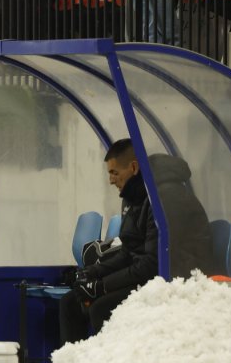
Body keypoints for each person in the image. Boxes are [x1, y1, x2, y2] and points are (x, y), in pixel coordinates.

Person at [59, 139, 158, 342]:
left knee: (100, 307)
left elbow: (151, 264)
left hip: (157, 282)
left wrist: (102, 286)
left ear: (133, 167)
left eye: (114, 173)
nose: (111, 180)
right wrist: (91, 273)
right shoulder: (131, 199)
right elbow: (127, 252)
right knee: (69, 302)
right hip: (138, 277)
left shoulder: (156, 201)